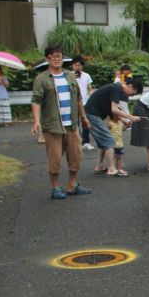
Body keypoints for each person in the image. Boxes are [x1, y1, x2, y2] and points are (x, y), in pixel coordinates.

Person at [30, 45, 93, 200]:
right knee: (55, 157)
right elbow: (36, 100)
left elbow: (78, 98)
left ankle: (72, 185)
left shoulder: (70, 76)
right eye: (53, 57)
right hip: (52, 126)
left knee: (76, 156)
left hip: (72, 124)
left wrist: (84, 118)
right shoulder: (41, 79)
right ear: (47, 59)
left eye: (59, 56)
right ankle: (55, 187)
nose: (57, 59)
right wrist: (36, 121)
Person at [85, 78, 144, 176]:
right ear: (130, 86)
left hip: (93, 114)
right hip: (92, 114)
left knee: (102, 142)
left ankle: (99, 166)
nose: (131, 96)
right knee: (109, 140)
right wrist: (130, 117)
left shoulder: (118, 90)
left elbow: (111, 110)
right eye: (133, 93)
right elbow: (114, 110)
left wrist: (125, 120)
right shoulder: (117, 88)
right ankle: (112, 168)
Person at [73, 59, 95, 149]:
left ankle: (86, 142)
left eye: (79, 65)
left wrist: (90, 95)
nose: (77, 67)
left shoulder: (86, 76)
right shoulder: (69, 75)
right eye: (76, 65)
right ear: (72, 65)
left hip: (85, 102)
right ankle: (76, 142)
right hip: (73, 103)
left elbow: (90, 89)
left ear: (82, 66)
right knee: (75, 123)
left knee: (86, 122)